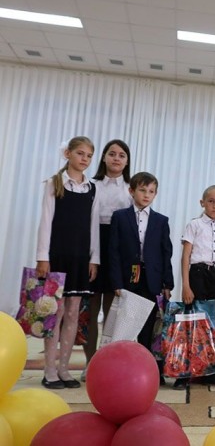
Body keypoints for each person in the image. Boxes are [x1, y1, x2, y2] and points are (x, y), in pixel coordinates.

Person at [35, 136, 100, 389]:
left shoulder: (92, 189)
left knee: (73, 313)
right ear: (68, 154)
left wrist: (94, 259)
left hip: (80, 258)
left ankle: (64, 369)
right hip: (57, 257)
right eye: (80, 153)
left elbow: (93, 227)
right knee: (56, 312)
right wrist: (43, 257)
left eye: (89, 155)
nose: (85, 159)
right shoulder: (55, 183)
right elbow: (45, 221)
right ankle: (49, 370)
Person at [109, 172, 173, 382]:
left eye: (151, 191)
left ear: (155, 194)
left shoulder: (161, 221)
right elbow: (114, 251)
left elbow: (166, 253)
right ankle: (123, 369)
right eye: (142, 190)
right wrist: (117, 282)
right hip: (128, 278)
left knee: (149, 325)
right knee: (126, 324)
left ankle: (150, 369)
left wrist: (167, 283)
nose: (146, 195)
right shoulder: (120, 217)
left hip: (151, 279)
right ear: (132, 191)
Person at [176, 186, 215, 389]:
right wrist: (186, 285)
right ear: (202, 203)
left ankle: (211, 371)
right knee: (194, 323)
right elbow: (186, 256)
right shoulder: (194, 225)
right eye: (210, 201)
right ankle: (184, 374)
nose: (214, 206)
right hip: (198, 275)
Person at [84, 139, 131, 380]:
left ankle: (107, 362)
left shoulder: (131, 189)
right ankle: (89, 362)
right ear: (103, 157)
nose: (116, 158)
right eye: (112, 154)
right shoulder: (91, 185)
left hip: (117, 250)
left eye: (121, 155)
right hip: (92, 245)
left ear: (127, 161)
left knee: (112, 311)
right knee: (90, 310)